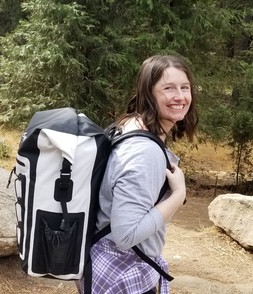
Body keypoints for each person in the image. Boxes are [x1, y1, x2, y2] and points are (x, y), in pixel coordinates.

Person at [77, 55, 198, 294]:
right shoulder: (144, 152)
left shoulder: (130, 124)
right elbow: (126, 235)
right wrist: (178, 194)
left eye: (185, 87)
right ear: (149, 93)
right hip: (122, 276)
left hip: (102, 265)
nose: (180, 97)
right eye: (168, 88)